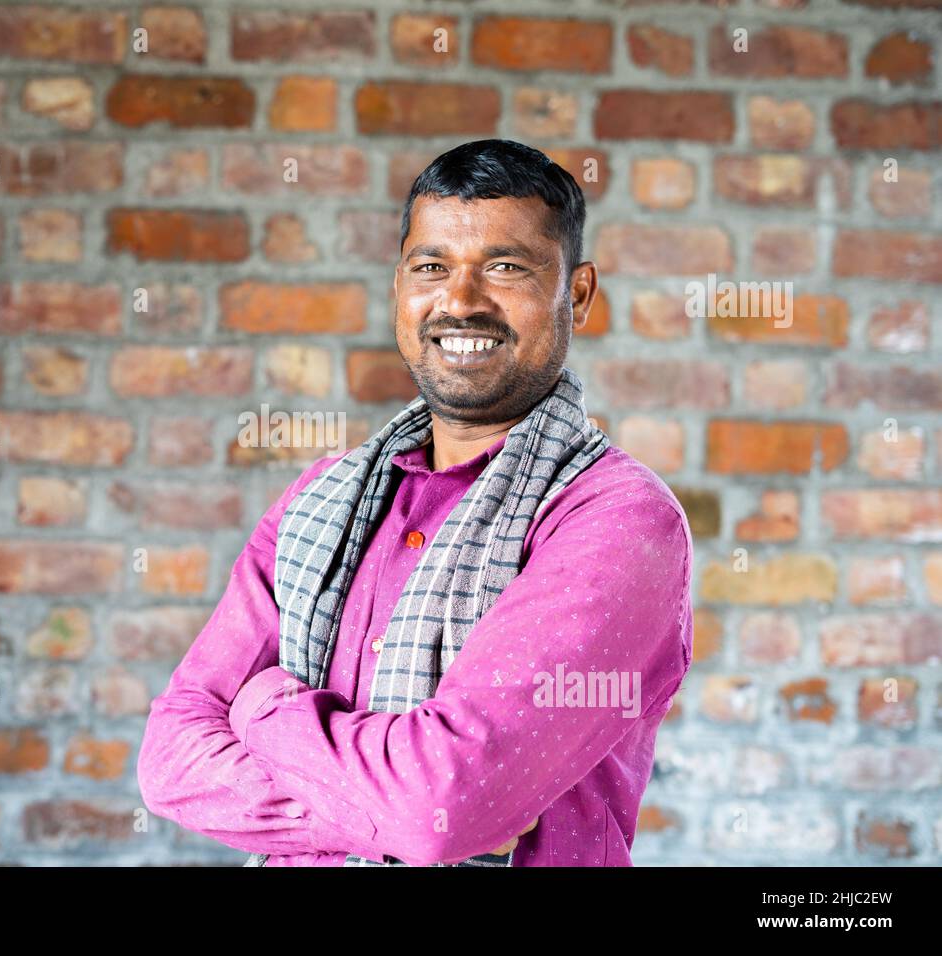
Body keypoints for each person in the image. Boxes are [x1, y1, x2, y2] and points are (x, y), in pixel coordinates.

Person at [137, 139, 694, 867]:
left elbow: (443, 804)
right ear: (400, 286)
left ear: (578, 293)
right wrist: (385, 813)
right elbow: (170, 761)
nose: (460, 301)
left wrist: (262, 707)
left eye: (505, 267)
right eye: (431, 267)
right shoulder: (318, 503)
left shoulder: (618, 521)